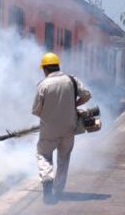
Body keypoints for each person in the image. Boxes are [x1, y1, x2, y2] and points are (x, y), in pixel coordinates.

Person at [32, 52, 91, 204]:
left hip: (49, 129)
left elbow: (36, 111)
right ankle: (58, 191)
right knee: (63, 159)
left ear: (45, 69)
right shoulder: (71, 80)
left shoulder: (43, 85)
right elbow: (86, 95)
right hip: (69, 128)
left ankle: (47, 184)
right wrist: (73, 105)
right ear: (58, 66)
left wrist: (51, 115)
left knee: (44, 154)